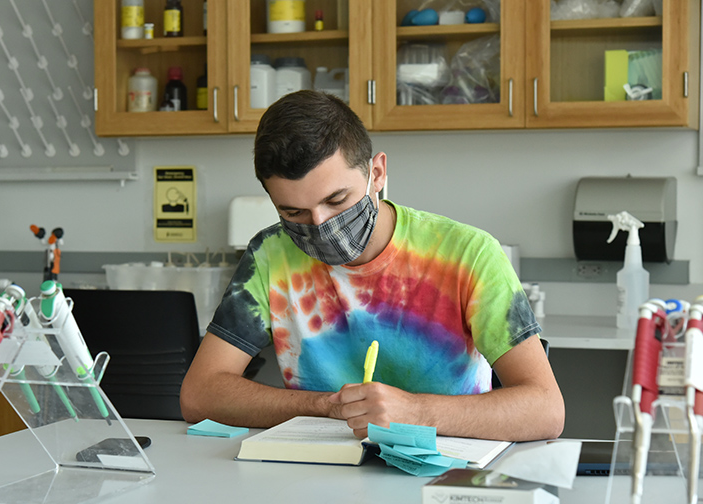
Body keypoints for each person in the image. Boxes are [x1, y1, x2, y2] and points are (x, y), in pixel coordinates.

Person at [180, 90, 564, 441]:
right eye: (293, 211)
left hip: (444, 474)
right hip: (319, 474)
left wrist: (414, 412)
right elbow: (200, 395)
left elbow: (546, 410)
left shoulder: (469, 254)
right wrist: (327, 406)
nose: (320, 225)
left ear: (376, 174)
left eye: (337, 200)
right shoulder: (270, 255)